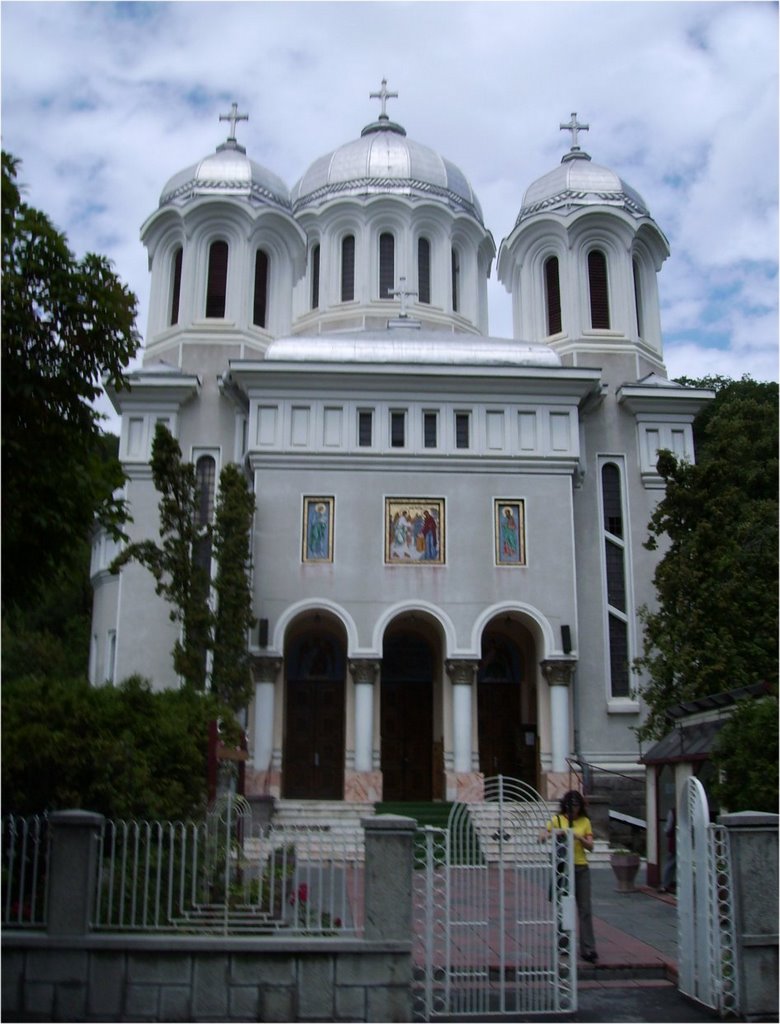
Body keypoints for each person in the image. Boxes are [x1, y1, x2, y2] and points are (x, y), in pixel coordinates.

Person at [541, 789, 598, 963]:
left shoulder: (585, 821)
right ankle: (563, 943)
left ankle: (588, 948)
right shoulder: (558, 820)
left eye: (575, 806)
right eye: (569, 806)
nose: (572, 810)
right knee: (564, 906)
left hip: (581, 867)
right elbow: (542, 836)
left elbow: (591, 846)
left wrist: (579, 837)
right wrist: (555, 833)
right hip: (563, 868)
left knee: (585, 908)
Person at [661, 806, 676, 893]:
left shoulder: (673, 811)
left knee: (670, 863)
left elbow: (668, 828)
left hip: (674, 841)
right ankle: (667, 883)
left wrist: (666, 831)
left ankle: (665, 884)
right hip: (680, 840)